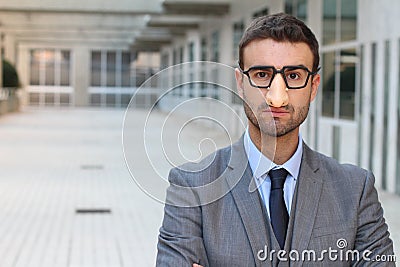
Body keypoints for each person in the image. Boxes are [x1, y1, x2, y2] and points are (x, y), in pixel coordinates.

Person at [156, 13, 394, 266]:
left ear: (313, 86)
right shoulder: (192, 187)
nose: (276, 98)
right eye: (261, 75)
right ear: (240, 83)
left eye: (293, 76)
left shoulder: (355, 189)